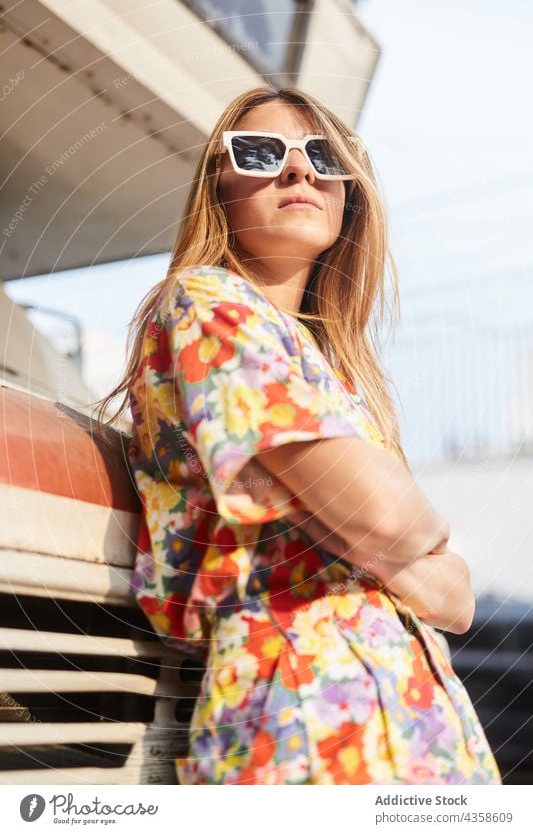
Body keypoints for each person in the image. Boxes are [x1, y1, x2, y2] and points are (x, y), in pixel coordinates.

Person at [94, 86, 501, 785]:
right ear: (217, 187)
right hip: (297, 714)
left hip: (417, 726)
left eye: (322, 155)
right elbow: (385, 515)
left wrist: (368, 529)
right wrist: (394, 537)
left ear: (349, 192)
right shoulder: (206, 303)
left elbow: (456, 600)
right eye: (261, 152)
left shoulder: (336, 371)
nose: (299, 171)